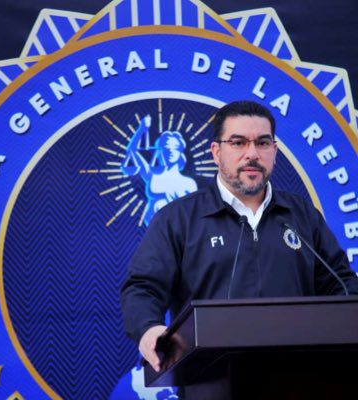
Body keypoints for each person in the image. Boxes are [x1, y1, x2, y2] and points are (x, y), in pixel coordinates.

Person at [120, 100, 358, 373]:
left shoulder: (301, 214)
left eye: (263, 143)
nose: (252, 154)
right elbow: (143, 288)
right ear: (216, 152)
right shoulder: (178, 219)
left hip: (301, 377)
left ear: (274, 151)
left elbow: (341, 284)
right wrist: (149, 328)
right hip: (210, 379)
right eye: (238, 143)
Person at [121, 115, 197, 225]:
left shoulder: (189, 184)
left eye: (175, 148)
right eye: (166, 148)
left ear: (180, 152)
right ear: (160, 151)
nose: (171, 151)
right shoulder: (152, 175)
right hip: (154, 230)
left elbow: (194, 214)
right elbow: (132, 150)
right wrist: (142, 129)